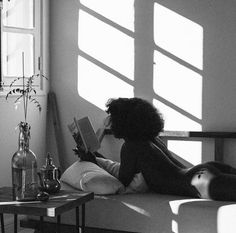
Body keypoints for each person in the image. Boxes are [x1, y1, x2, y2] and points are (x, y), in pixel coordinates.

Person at [75, 97, 236, 201]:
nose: (109, 121)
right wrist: (95, 157)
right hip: (200, 173)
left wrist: (93, 160)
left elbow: (121, 182)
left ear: (123, 122)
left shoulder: (131, 146)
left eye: (113, 118)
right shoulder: (151, 140)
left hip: (197, 183)